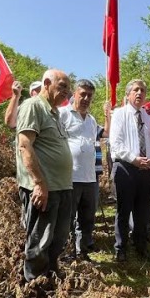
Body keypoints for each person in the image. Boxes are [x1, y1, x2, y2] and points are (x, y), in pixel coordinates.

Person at [15, 70, 73, 282]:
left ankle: (50, 276)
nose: (66, 91)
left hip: (62, 187)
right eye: (62, 86)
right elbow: (25, 145)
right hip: (44, 189)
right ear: (46, 83)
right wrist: (39, 183)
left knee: (58, 238)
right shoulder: (33, 106)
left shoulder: (54, 112)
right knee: (40, 240)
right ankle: (35, 287)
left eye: (68, 87)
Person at [109, 79, 150, 262]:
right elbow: (115, 144)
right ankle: (120, 248)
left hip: (146, 169)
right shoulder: (120, 114)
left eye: (142, 91)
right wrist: (135, 159)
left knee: (142, 211)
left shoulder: (148, 117)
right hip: (126, 168)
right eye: (136, 90)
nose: (139, 93)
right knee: (124, 211)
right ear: (129, 93)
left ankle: (141, 246)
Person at [59, 79, 104, 261]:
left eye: (89, 96)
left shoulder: (91, 120)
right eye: (82, 94)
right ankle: (67, 253)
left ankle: (82, 251)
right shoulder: (62, 114)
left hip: (90, 177)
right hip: (70, 177)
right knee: (67, 219)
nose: (86, 98)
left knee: (87, 219)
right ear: (74, 94)